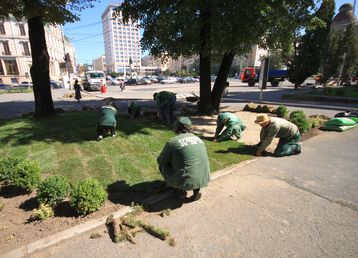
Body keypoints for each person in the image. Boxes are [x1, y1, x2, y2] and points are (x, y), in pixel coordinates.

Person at [157, 117, 210, 201]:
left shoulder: (173, 142)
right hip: (203, 179)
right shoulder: (199, 139)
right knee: (194, 162)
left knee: (162, 165)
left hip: (185, 182)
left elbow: (161, 160)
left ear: (177, 127)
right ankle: (196, 193)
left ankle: (178, 189)